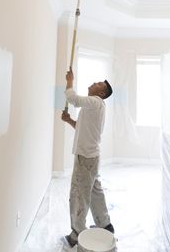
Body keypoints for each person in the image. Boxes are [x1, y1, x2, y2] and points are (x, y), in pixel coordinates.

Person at [61, 67, 114, 247]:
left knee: (79, 195)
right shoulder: (94, 106)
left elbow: (72, 99)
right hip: (91, 158)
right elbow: (83, 129)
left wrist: (70, 81)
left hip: (85, 158)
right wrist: (69, 121)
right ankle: (105, 225)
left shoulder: (95, 102)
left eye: (98, 83)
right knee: (94, 191)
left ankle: (77, 233)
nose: (94, 83)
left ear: (101, 92)